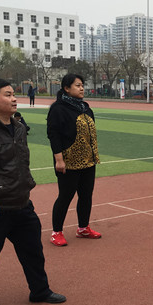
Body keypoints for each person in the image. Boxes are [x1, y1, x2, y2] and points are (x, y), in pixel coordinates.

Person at [0, 78, 66, 305]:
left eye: (13, 94)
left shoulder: (18, 127)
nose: (14, 98)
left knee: (33, 252)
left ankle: (40, 291)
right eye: (8, 94)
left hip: (21, 204)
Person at [47, 73, 102, 247]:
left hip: (88, 160)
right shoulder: (58, 108)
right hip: (69, 161)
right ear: (66, 88)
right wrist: (59, 159)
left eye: (82, 85)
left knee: (86, 196)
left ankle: (83, 227)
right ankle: (56, 232)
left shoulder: (85, 108)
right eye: (77, 85)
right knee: (65, 196)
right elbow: (53, 134)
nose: (82, 88)